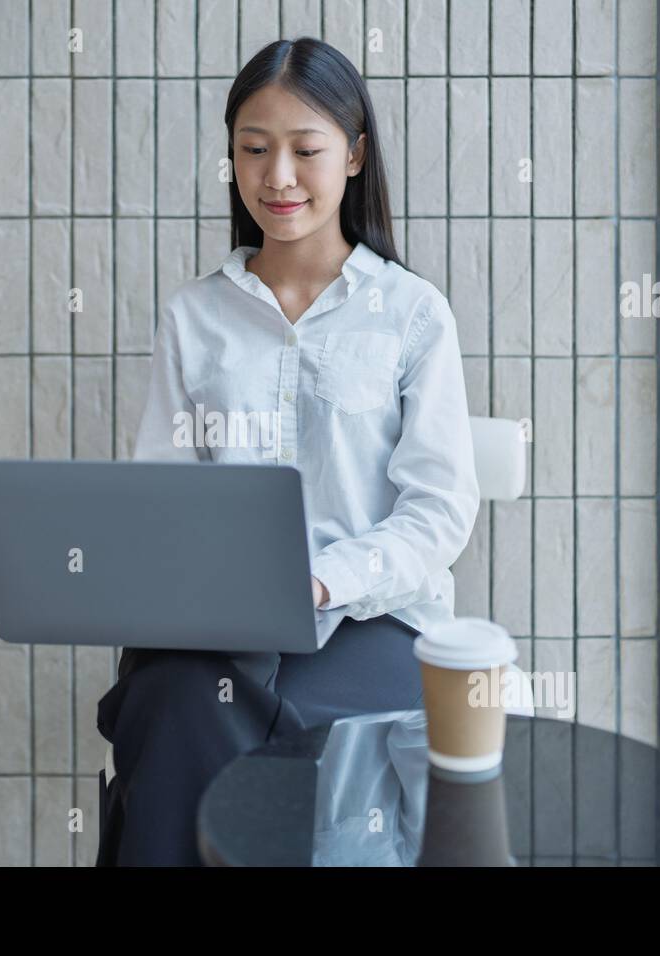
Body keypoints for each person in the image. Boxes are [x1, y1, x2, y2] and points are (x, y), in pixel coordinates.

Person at [95, 36, 480, 866]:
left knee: (195, 727)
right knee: (173, 698)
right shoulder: (193, 317)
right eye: (253, 150)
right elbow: (161, 494)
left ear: (355, 153)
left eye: (305, 150)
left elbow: (439, 511)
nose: (278, 178)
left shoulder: (412, 314)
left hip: (368, 623)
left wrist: (320, 580)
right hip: (219, 627)